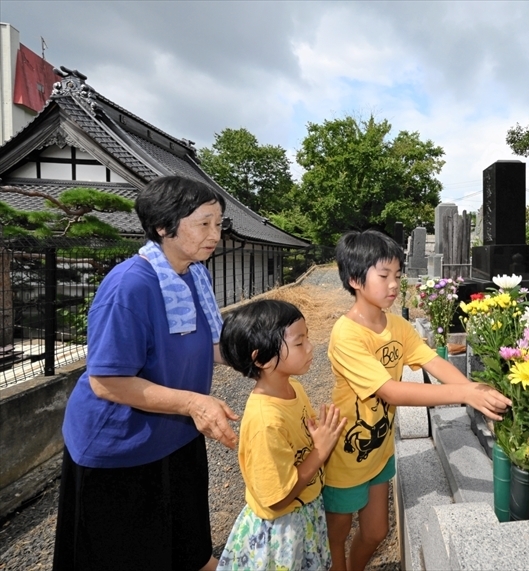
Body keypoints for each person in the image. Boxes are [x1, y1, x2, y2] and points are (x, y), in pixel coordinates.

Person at [53, 176, 239, 571]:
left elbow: (208, 345)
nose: (215, 235)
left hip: (176, 434)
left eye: (218, 224)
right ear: (162, 226)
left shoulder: (195, 275)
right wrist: (193, 402)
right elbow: (107, 381)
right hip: (121, 446)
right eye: (204, 223)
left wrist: (260, 360)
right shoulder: (130, 285)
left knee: (187, 541)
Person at [324, 229, 513, 571]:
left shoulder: (397, 326)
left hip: (380, 449)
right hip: (344, 451)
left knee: (376, 530)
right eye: (383, 276)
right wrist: (465, 394)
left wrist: (476, 390)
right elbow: (391, 391)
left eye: (397, 275)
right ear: (354, 279)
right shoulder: (346, 334)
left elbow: (435, 363)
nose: (394, 284)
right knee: (336, 533)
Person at [217, 299, 347, 571]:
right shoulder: (266, 421)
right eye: (299, 343)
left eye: (307, 339)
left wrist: (318, 437)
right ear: (261, 358)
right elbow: (277, 498)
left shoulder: (294, 388)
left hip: (303, 515)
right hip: (281, 532)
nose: (311, 348)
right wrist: (320, 450)